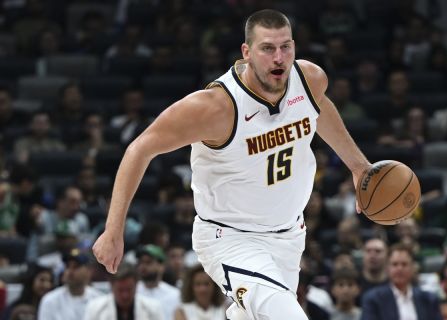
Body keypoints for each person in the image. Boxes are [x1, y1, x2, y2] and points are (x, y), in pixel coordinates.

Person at [93, 9, 370, 320]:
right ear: (247, 52)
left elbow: (319, 108)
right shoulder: (216, 107)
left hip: (290, 236)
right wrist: (113, 230)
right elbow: (139, 149)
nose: (279, 58)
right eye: (267, 48)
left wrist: (359, 167)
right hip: (231, 239)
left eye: (286, 47)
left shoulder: (309, 80)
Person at [361, 243, 442, 320]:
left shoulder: (428, 299)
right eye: (395, 264)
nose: (399, 269)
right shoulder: (374, 299)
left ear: (413, 268)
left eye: (404, 264)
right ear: (387, 268)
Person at [37, 248, 102, 320]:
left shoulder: (99, 299)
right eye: (67, 266)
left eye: (76, 267)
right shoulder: (49, 300)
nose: (70, 271)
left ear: (88, 271)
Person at [84, 262, 164, 320]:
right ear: (111, 286)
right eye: (120, 290)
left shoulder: (153, 308)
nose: (125, 295)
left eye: (129, 289)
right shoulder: (94, 308)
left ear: (136, 285)